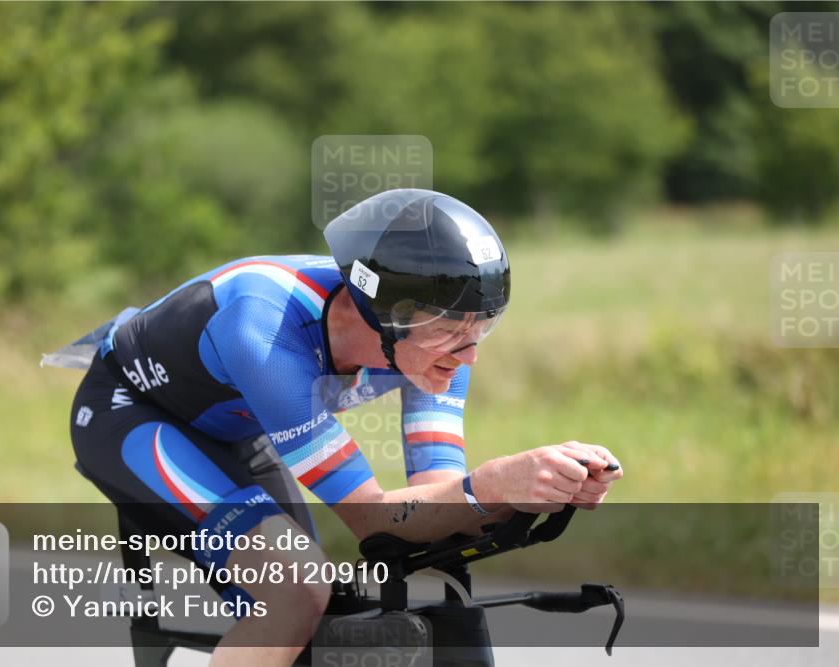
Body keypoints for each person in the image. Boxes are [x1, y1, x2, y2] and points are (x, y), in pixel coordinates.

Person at [60, 188, 623, 666]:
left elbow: (431, 505)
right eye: (453, 330)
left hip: (234, 427)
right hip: (129, 416)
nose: (468, 356)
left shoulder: (433, 350)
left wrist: (532, 491)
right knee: (295, 591)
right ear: (384, 314)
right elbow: (374, 519)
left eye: (483, 329)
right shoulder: (266, 332)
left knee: (322, 611)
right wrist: (495, 482)